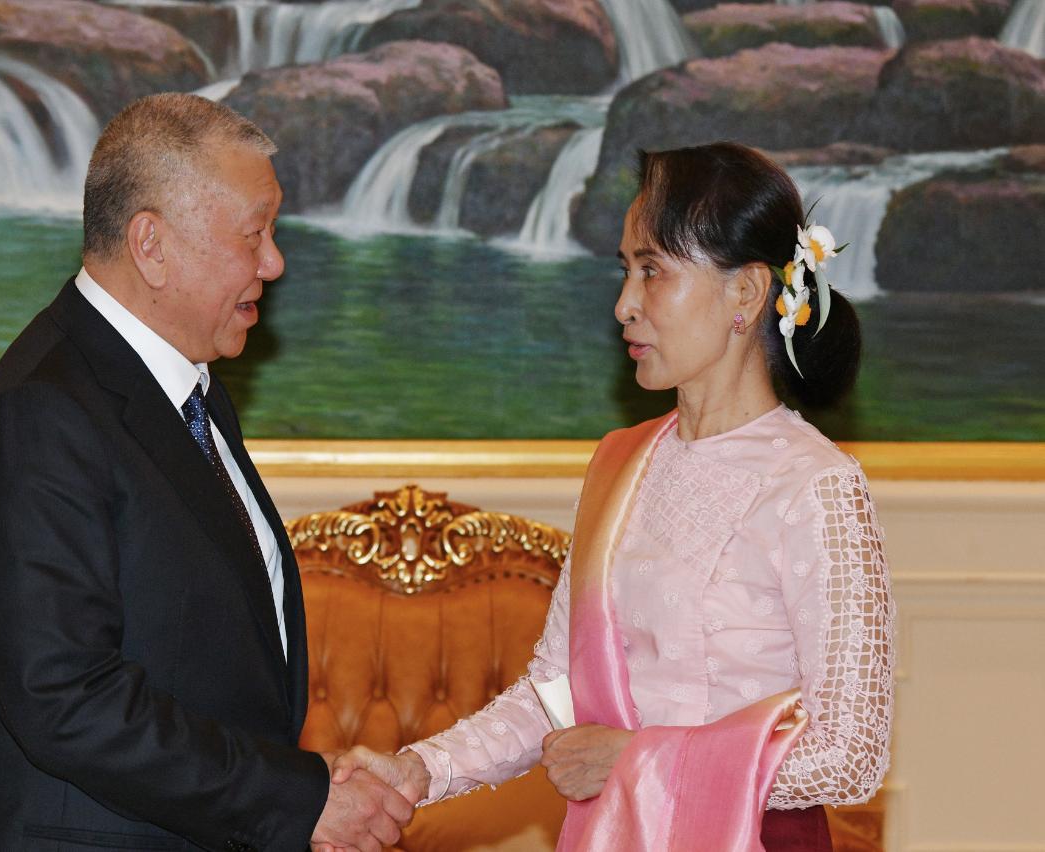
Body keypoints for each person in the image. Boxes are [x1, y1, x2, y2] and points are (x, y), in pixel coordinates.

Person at [330, 142, 895, 850]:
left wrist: (637, 760)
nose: (624, 305)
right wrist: (418, 770)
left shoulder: (817, 486)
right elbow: (555, 692)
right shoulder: (622, 462)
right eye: (626, 270)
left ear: (746, 294)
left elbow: (849, 757)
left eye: (653, 271)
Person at [0, 93, 412, 852]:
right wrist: (296, 799)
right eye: (254, 233)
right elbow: (67, 699)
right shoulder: (40, 415)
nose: (274, 263)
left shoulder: (183, 385)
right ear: (151, 245)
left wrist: (296, 789)